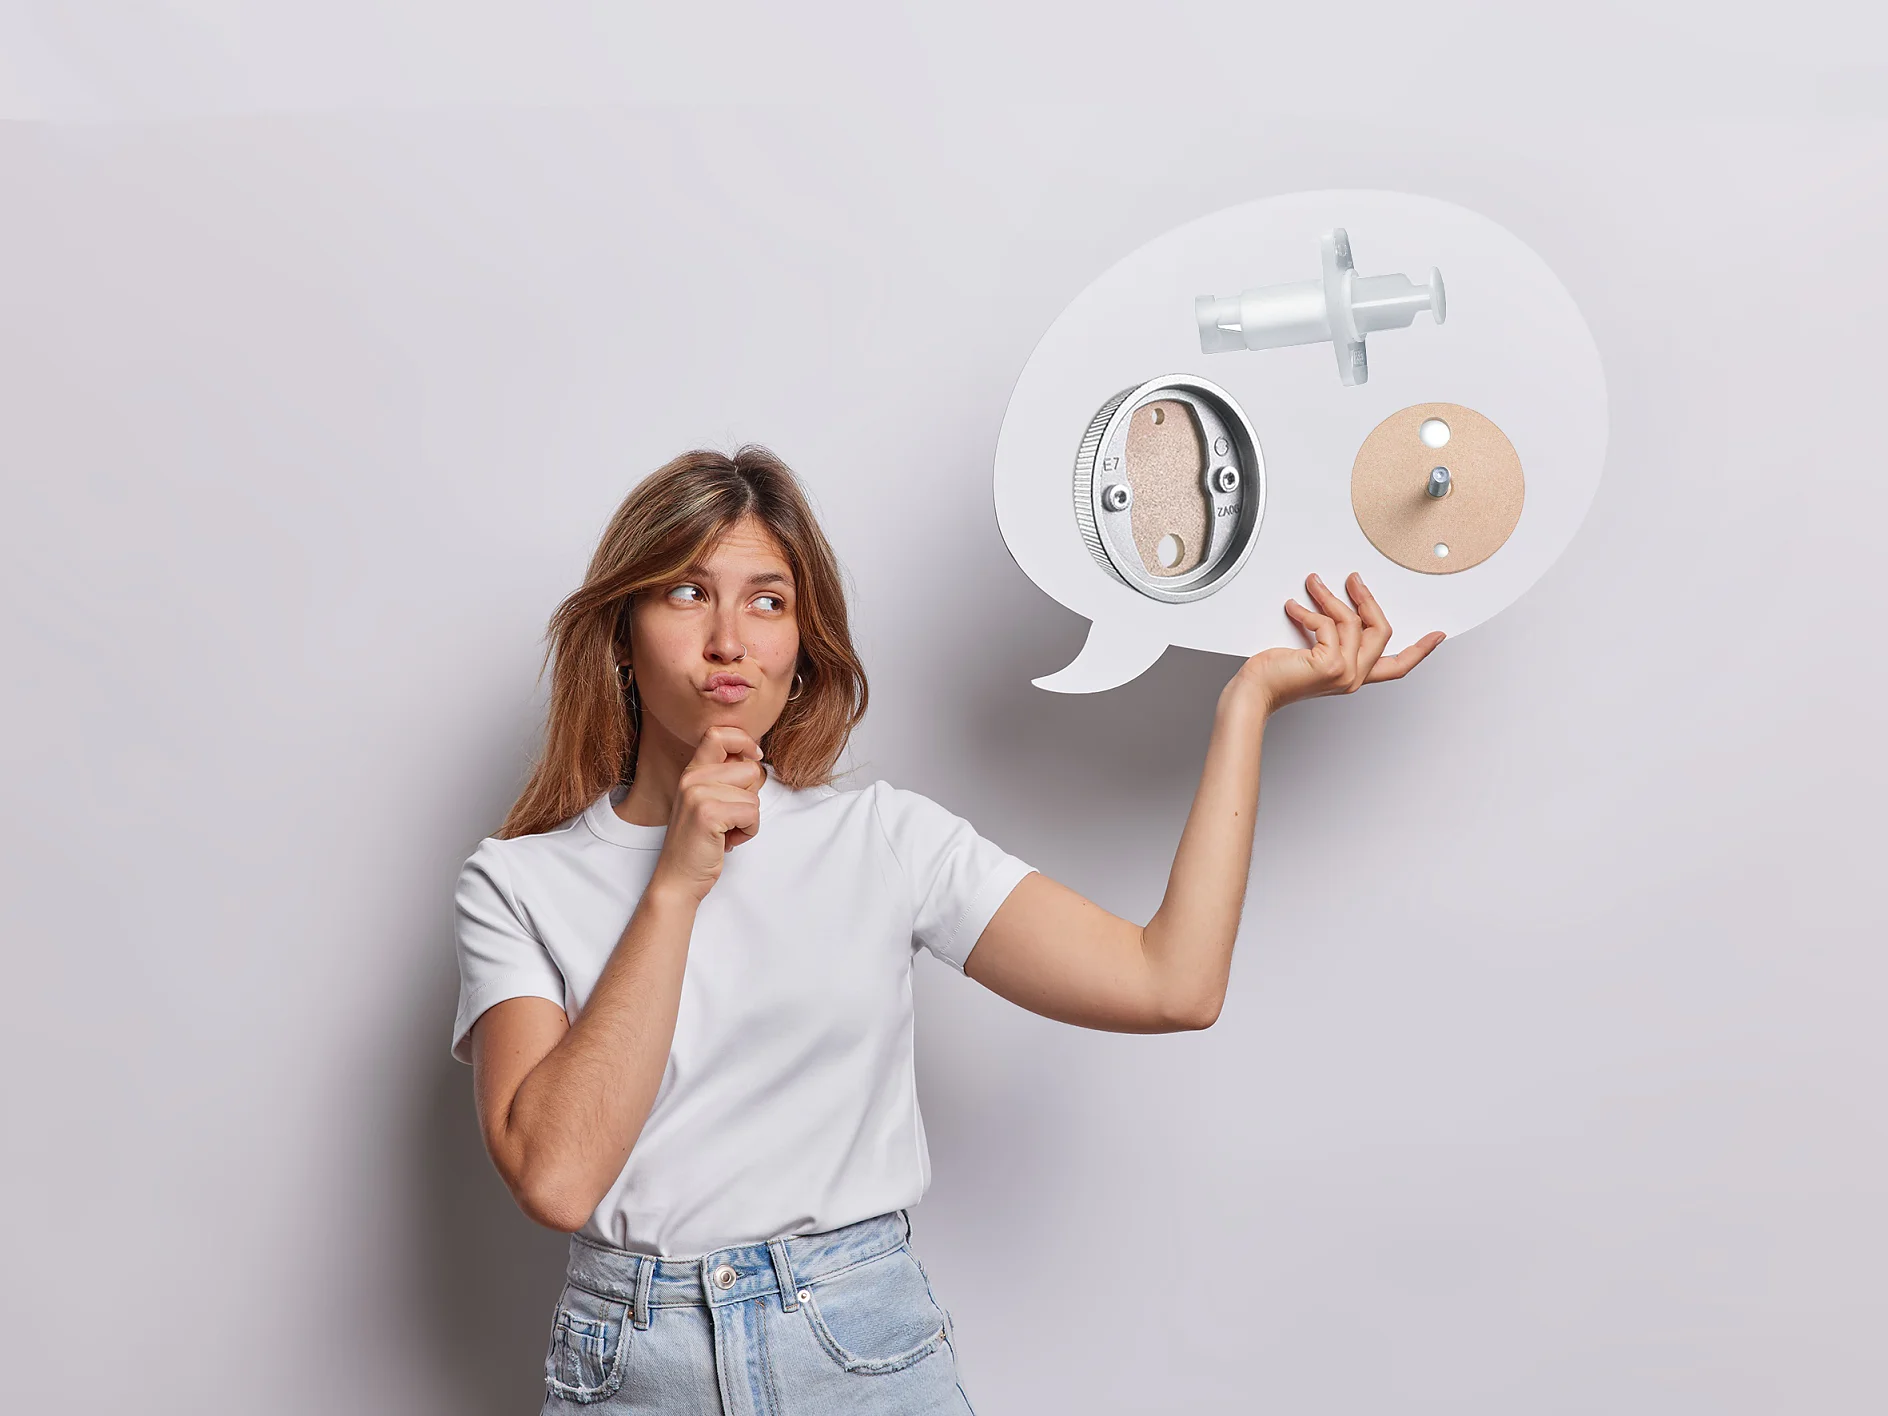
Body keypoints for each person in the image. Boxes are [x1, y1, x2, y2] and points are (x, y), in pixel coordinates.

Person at [451, 445, 1444, 1414]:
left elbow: (1169, 983)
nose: (729, 641)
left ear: (803, 649)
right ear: (621, 635)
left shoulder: (882, 839)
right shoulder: (519, 883)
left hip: (856, 1344)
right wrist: (675, 886)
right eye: (685, 593)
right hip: (635, 1360)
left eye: (767, 601)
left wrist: (1248, 705)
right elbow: (557, 1178)